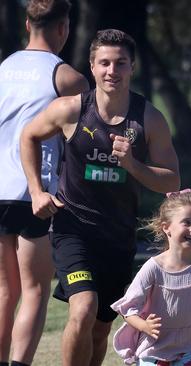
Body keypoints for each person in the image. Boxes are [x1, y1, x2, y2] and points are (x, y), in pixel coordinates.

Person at [20, 29, 180, 366]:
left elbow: (172, 179)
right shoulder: (71, 110)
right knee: (83, 308)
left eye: (120, 63)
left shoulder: (148, 119)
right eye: (104, 63)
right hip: (72, 229)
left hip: (118, 235)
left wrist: (132, 165)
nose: (112, 71)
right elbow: (29, 136)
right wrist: (36, 190)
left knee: (99, 329)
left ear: (132, 67)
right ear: (91, 67)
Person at [0, 1, 88, 365]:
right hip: (34, 192)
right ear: (63, 28)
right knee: (35, 289)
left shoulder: (4, 67)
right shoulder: (67, 77)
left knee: (5, 291)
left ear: (26, 24)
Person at [110, 190, 191, 366]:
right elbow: (128, 309)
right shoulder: (153, 268)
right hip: (154, 349)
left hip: (190, 348)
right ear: (166, 227)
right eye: (187, 222)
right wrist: (145, 326)